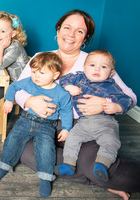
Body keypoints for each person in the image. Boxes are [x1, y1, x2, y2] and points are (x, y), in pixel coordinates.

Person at [14, 9, 138, 199]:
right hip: (42, 125)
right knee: (24, 151)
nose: (71, 34)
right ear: (58, 30)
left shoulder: (94, 62)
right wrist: (29, 100)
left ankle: (95, 171)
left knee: (109, 169)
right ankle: (97, 178)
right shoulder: (41, 56)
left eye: (79, 31)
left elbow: (130, 96)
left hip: (84, 128)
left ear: (85, 38)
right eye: (67, 27)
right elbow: (18, 90)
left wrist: (104, 103)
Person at [0, 52, 72, 197]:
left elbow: (67, 111)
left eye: (42, 73)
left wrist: (67, 129)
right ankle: (4, 165)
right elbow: (13, 87)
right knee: (12, 140)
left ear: (55, 75)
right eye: (34, 71)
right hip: (25, 119)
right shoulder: (29, 82)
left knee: (46, 149)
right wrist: (9, 100)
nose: (36, 75)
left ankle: (45, 177)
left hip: (46, 125)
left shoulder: (62, 93)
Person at [55, 50, 133, 183]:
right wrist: (68, 86)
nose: (97, 69)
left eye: (104, 67)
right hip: (83, 122)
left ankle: (102, 164)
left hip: (105, 122)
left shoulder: (111, 86)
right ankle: (69, 164)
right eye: (92, 65)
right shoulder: (78, 78)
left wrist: (116, 106)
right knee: (72, 138)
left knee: (110, 141)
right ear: (84, 68)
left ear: (111, 73)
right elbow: (64, 79)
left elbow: (126, 99)